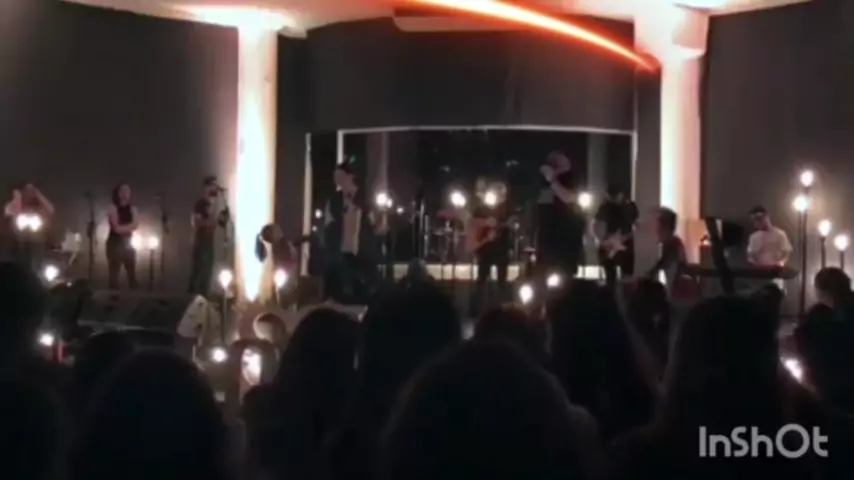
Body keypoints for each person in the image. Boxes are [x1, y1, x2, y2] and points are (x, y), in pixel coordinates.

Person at [323, 164, 383, 304]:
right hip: (342, 251)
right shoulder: (333, 201)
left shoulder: (364, 199)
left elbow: (375, 224)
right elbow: (329, 227)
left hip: (363, 252)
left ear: (350, 177)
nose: (337, 180)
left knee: (366, 287)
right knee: (343, 287)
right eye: (336, 177)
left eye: (340, 176)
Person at [536, 152, 585, 283]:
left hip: (568, 235)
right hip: (548, 235)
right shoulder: (543, 181)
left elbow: (569, 197)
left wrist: (552, 181)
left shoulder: (573, 178)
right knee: (545, 272)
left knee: (566, 274)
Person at [467, 179, 512, 313]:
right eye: (497, 190)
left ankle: (502, 310)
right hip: (485, 250)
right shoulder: (482, 209)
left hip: (501, 249)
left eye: (502, 192)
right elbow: (474, 224)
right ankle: (476, 310)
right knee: (481, 279)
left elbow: (512, 224)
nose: (500, 194)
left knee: (501, 281)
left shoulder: (507, 209)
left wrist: (503, 226)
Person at [594, 186, 639, 289]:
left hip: (617, 243)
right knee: (618, 278)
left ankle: (616, 293)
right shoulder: (606, 208)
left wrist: (604, 240)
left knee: (616, 278)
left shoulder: (605, 207)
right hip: (619, 243)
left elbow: (597, 225)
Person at [3, 183, 55, 268]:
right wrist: (17, 197)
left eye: (31, 191)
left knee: (37, 260)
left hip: (37, 240)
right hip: (18, 241)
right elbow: (8, 211)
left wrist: (38, 194)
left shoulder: (39, 207)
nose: (29, 193)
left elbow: (50, 209)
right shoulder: (17, 207)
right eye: (26, 191)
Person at [188, 177, 223, 296]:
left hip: (209, 239)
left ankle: (203, 296)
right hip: (201, 239)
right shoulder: (200, 204)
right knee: (200, 269)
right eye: (212, 186)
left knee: (207, 269)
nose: (214, 189)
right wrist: (211, 222)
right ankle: (193, 296)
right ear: (206, 188)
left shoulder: (213, 205)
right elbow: (196, 222)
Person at [645, 207, 686, 294]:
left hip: (676, 287)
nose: (657, 231)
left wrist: (653, 271)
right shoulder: (673, 242)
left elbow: (665, 261)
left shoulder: (672, 243)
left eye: (659, 229)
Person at [106, 183, 139, 289]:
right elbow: (115, 227)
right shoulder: (112, 207)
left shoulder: (133, 209)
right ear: (118, 193)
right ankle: (113, 297)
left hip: (128, 243)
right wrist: (128, 227)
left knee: (132, 274)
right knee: (114, 275)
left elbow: (135, 225)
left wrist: (123, 228)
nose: (125, 193)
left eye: (127, 191)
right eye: (123, 191)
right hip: (114, 243)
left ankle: (134, 295)